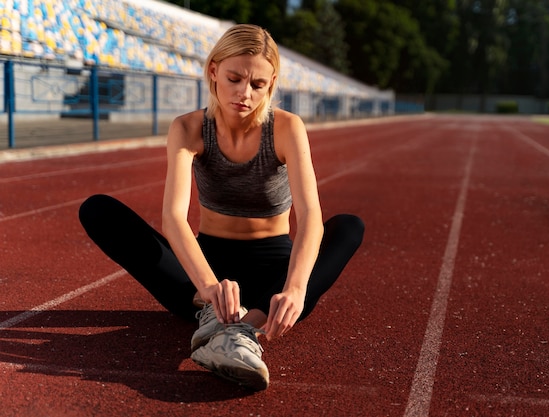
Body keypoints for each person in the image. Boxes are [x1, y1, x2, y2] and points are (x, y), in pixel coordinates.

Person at [78, 24, 364, 391]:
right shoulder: (189, 128)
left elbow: (310, 217)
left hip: (271, 276)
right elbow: (173, 218)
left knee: (349, 227)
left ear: (272, 83)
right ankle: (214, 314)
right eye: (234, 78)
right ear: (213, 71)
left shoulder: (287, 128)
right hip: (201, 280)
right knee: (98, 210)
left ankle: (243, 330)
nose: (245, 93)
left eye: (258, 85)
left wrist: (294, 288)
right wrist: (210, 287)